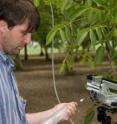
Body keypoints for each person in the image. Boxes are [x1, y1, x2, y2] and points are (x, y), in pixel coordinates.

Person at [0, 0, 77, 124]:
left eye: (30, 34)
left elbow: (16, 119)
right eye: (24, 33)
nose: (29, 40)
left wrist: (55, 113)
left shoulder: (5, 64)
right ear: (2, 26)